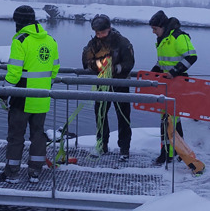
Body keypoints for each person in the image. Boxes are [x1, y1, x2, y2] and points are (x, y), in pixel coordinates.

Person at [0, 5, 61, 184]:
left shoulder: (21, 40)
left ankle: (11, 173)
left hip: (21, 96)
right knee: (38, 135)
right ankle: (34, 172)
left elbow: (14, 73)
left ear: (18, 21)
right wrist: (44, 85)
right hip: (42, 96)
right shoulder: (50, 40)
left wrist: (4, 92)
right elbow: (55, 69)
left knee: (16, 136)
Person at [82, 14, 136, 160]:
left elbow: (130, 63)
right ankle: (102, 145)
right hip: (102, 84)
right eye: (97, 33)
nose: (99, 36)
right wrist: (98, 65)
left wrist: (114, 68)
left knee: (123, 117)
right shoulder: (93, 43)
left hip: (121, 84)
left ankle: (124, 149)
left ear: (109, 29)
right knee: (100, 115)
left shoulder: (123, 42)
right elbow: (86, 61)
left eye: (101, 32)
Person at [148, 10, 197, 165]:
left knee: (170, 121)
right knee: (169, 120)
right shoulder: (163, 39)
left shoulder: (178, 37)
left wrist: (174, 72)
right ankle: (176, 151)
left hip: (178, 83)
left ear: (163, 26)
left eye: (155, 29)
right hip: (167, 84)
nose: (153, 32)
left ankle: (168, 155)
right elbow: (162, 62)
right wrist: (152, 74)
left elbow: (192, 56)